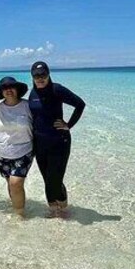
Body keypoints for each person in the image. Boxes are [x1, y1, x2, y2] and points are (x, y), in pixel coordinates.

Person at [27, 61, 85, 213]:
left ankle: (64, 209)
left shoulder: (56, 89)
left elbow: (80, 104)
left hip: (59, 142)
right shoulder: (32, 94)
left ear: (48, 74)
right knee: (47, 179)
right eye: (36, 76)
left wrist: (69, 124)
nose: (40, 78)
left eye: (43, 75)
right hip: (40, 143)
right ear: (32, 77)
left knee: (55, 179)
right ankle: (54, 210)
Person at [0, 76, 33, 216]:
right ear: (1, 92)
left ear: (17, 90)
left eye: (12, 87)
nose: (8, 90)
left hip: (24, 150)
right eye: (5, 88)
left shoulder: (27, 106)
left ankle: (20, 217)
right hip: (2, 152)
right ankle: (16, 209)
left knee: (15, 183)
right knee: (10, 184)